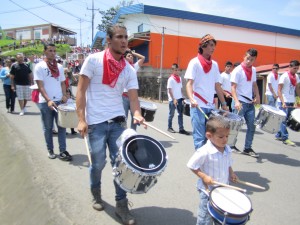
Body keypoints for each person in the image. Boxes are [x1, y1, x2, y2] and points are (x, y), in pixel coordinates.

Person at [76, 24, 145, 225]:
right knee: (97, 163)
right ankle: (96, 193)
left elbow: (133, 99)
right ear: (109, 39)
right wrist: (81, 119)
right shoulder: (93, 60)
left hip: (117, 122)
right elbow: (80, 90)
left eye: (126, 37)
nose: (124, 41)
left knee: (120, 165)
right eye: (119, 37)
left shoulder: (129, 69)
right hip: (95, 124)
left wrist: (138, 114)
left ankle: (121, 205)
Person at [187, 115, 238, 225]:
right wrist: (204, 176)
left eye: (227, 136)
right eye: (221, 137)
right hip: (208, 191)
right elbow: (192, 165)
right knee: (205, 218)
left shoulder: (227, 149)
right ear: (209, 136)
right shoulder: (204, 151)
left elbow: (228, 164)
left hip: (223, 189)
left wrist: (232, 173)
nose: (225, 140)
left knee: (220, 216)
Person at [185, 34, 228, 150]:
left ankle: (207, 164)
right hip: (198, 106)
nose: (213, 48)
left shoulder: (214, 65)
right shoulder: (194, 62)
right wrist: (191, 99)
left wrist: (224, 104)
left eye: (214, 46)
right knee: (199, 138)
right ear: (203, 46)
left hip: (211, 107)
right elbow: (189, 83)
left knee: (210, 138)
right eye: (211, 45)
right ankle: (199, 165)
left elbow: (217, 86)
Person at [34, 43, 72, 161]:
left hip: (59, 101)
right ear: (44, 51)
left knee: (62, 126)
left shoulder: (59, 67)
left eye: (54, 51)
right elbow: (40, 86)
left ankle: (62, 151)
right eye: (50, 50)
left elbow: (62, 82)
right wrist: (48, 100)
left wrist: (65, 95)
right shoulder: (39, 66)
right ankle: (50, 149)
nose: (53, 53)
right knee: (48, 127)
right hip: (46, 102)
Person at [231, 48, 260, 158]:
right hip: (240, 102)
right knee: (236, 125)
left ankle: (247, 148)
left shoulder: (253, 70)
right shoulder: (237, 70)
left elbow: (254, 84)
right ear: (244, 56)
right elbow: (233, 88)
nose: (249, 61)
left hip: (249, 102)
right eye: (248, 58)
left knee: (251, 126)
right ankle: (231, 145)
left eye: (252, 59)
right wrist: (237, 101)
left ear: (254, 60)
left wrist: (257, 96)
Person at [275, 60, 300, 146]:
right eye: (294, 68)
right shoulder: (284, 76)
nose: (296, 70)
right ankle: (285, 138)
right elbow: (279, 90)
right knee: (283, 120)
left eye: (297, 68)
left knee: (287, 119)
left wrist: (298, 100)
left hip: (291, 101)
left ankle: (278, 134)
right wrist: (282, 102)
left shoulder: (296, 76)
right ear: (290, 67)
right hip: (284, 101)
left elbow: (297, 89)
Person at [122, 48, 145, 130]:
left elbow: (143, 58)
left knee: (135, 118)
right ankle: (123, 135)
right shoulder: (122, 66)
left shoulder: (134, 67)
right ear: (124, 58)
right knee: (123, 118)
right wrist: (125, 51)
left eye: (132, 56)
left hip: (133, 97)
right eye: (129, 56)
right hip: (124, 97)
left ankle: (133, 135)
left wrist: (132, 53)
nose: (131, 57)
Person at [167, 63, 190, 135]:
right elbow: (170, 90)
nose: (177, 71)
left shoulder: (179, 78)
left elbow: (180, 89)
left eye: (178, 70)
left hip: (179, 99)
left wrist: (182, 96)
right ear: (172, 70)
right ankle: (169, 127)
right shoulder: (170, 79)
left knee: (180, 114)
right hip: (172, 99)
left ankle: (181, 128)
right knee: (171, 114)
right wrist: (173, 99)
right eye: (175, 70)